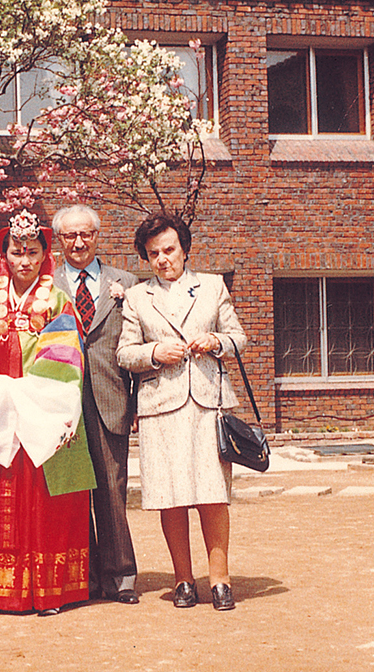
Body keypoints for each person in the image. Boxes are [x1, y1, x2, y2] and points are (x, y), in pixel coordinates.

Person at [116, 210, 246, 611]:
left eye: (169, 250)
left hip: (207, 404)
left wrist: (216, 342)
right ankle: (183, 580)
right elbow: (124, 352)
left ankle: (220, 580)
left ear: (184, 250)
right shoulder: (137, 297)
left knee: (212, 494)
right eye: (154, 253)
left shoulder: (212, 286)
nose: (163, 259)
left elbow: (239, 338)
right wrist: (155, 352)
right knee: (170, 496)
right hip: (160, 406)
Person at [0, 211, 96, 616]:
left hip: (45, 412)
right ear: (3, 256)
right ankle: (1, 592)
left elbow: (66, 360)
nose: (24, 261)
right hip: (0, 413)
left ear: (44, 256)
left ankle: (50, 591)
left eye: (32, 253)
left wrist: (26, 395)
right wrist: (0, 393)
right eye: (16, 252)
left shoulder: (59, 302)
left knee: (47, 504)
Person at [51, 205, 140, 604]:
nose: (78, 242)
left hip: (110, 398)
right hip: (61, 402)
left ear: (97, 236)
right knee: (71, 491)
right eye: (70, 235)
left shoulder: (126, 283)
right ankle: (82, 577)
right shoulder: (47, 284)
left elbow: (138, 343)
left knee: (112, 490)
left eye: (85, 234)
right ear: (59, 239)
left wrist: (136, 405)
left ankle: (120, 576)